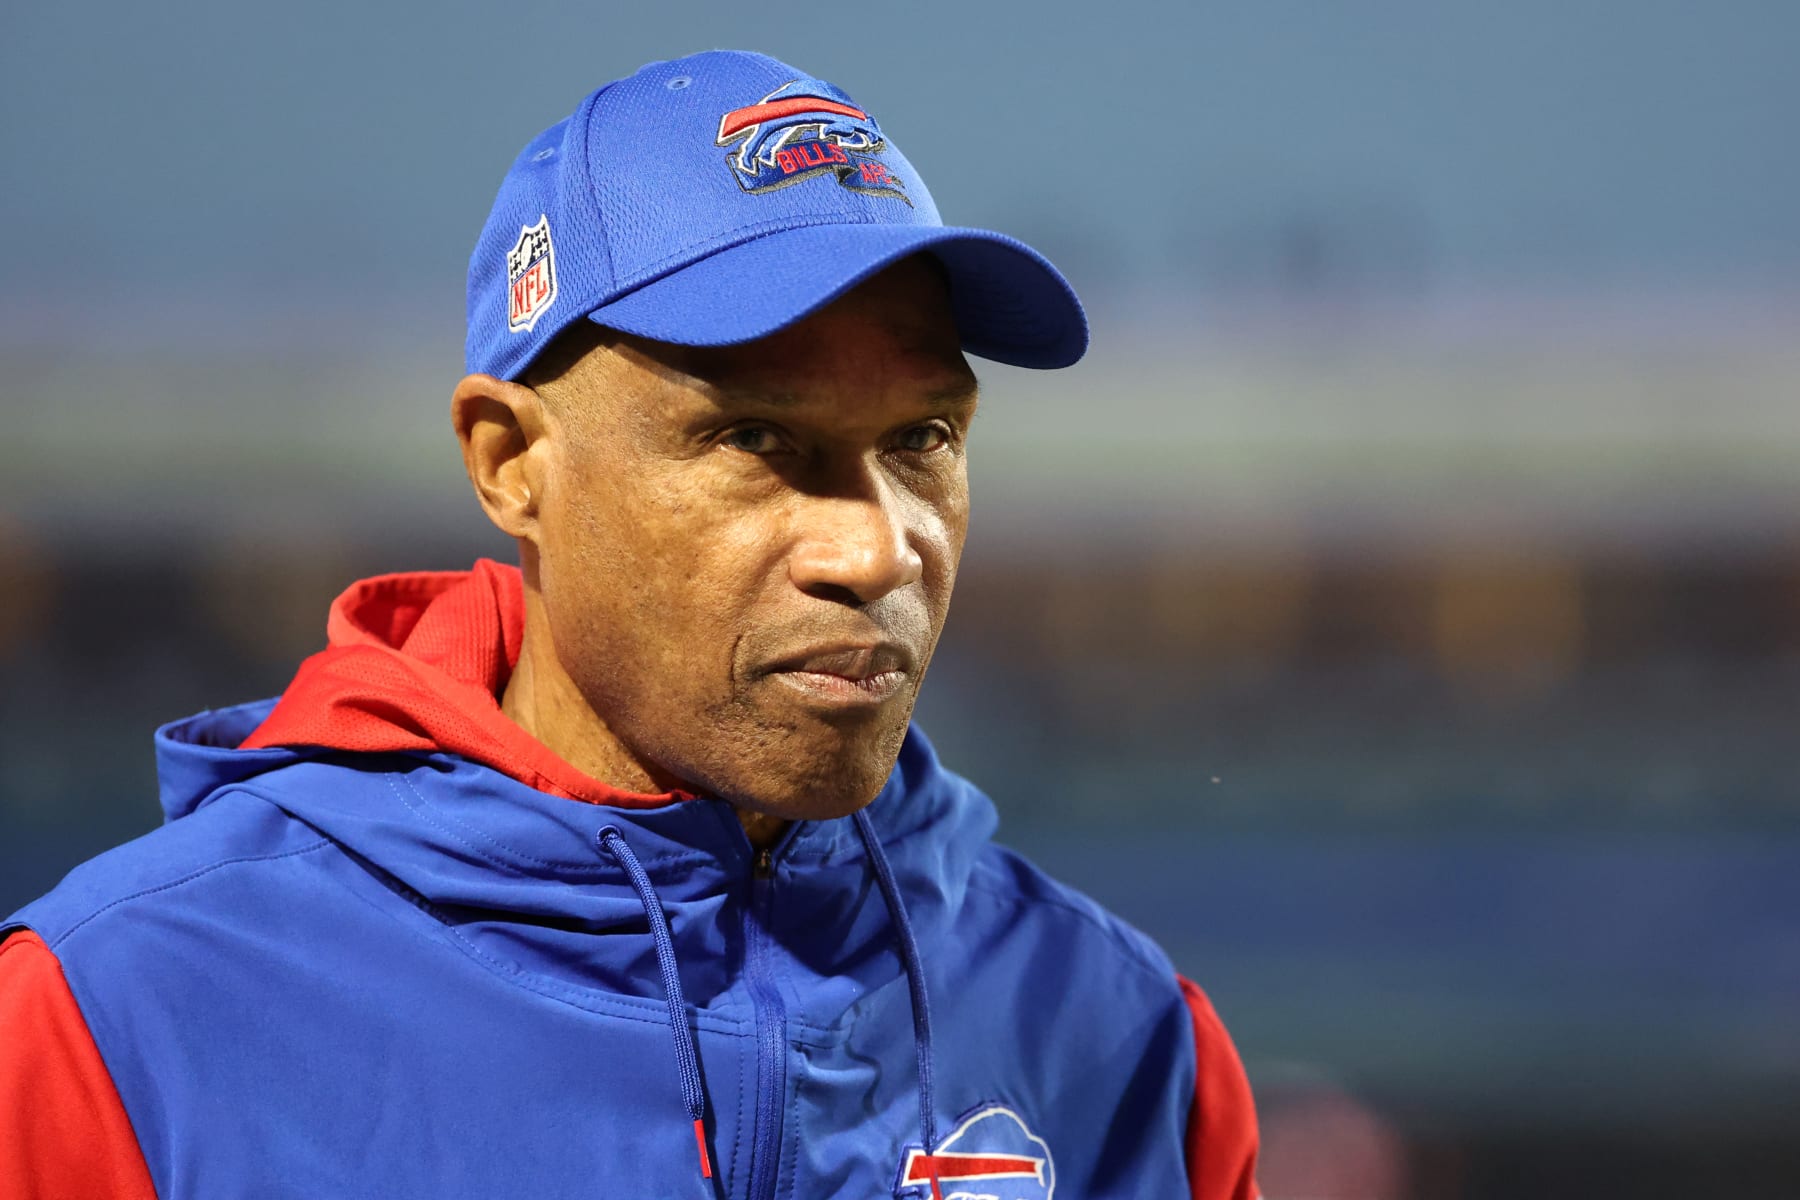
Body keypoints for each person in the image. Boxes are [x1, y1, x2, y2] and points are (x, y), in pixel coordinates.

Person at [0, 50, 1259, 1199]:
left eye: (922, 440)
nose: (877, 548)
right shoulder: (120, 1021)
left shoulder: (1129, 1041)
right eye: (757, 441)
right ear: (510, 465)